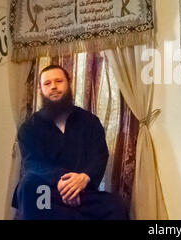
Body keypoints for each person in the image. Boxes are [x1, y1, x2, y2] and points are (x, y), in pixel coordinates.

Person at [12, 64, 128, 220]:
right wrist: (64, 182)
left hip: (83, 194)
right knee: (28, 186)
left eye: (58, 81)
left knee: (115, 205)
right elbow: (32, 163)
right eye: (47, 83)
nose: (53, 86)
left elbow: (99, 156)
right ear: (40, 89)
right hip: (48, 194)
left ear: (69, 83)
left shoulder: (90, 122)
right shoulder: (29, 128)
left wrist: (83, 178)